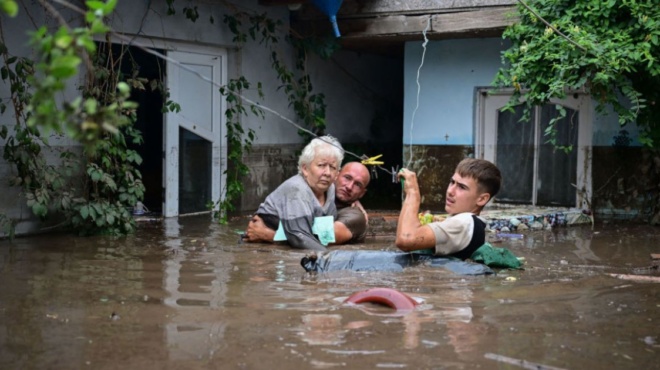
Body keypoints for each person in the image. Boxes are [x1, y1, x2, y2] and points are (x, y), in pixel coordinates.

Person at [244, 135, 344, 251]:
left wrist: (270, 236)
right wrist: (331, 259)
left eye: (332, 167)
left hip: (278, 243)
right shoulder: (297, 189)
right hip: (261, 250)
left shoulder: (331, 189)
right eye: (321, 165)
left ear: (337, 173)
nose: (327, 172)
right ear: (305, 169)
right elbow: (299, 237)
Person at [395, 158, 501, 260]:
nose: (450, 191)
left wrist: (412, 192)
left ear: (482, 199)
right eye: (452, 182)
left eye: (462, 187)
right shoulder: (472, 224)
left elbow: (406, 239)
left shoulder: (464, 222)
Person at [244, 161, 371, 245]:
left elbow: (321, 239)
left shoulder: (355, 217)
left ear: (362, 193)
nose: (349, 186)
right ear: (336, 175)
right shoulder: (314, 195)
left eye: (357, 185)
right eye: (347, 178)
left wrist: (268, 235)